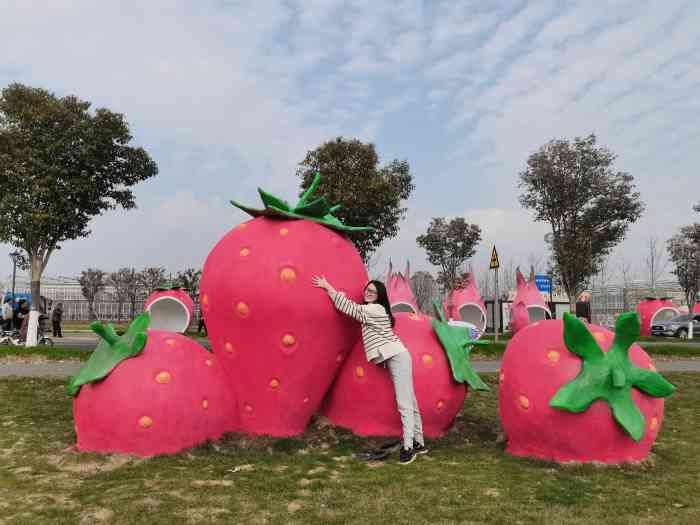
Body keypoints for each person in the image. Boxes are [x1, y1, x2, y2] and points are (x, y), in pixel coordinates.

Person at [312, 275, 427, 465]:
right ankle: (419, 442)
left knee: (404, 402)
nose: (368, 292)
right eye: (367, 289)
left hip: (397, 356)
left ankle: (409, 448)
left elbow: (349, 308)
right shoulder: (373, 309)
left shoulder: (375, 309)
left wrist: (328, 286)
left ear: (379, 295)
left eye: (373, 291)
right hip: (397, 356)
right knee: (410, 401)